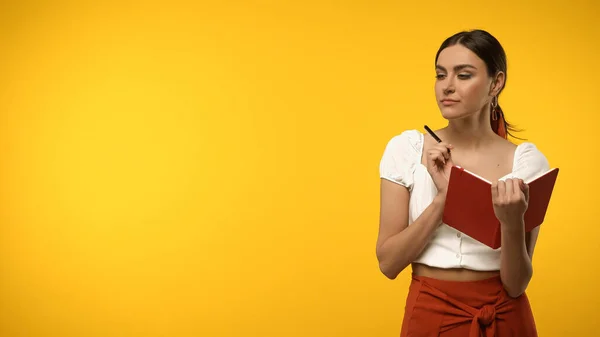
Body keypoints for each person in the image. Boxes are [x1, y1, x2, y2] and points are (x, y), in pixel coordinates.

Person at [376, 29, 549, 337]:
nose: (448, 87)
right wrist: (445, 200)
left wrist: (511, 223)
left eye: (463, 75)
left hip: (504, 316)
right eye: (441, 75)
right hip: (430, 314)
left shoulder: (526, 164)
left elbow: (517, 283)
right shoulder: (408, 151)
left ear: (496, 83)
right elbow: (388, 263)